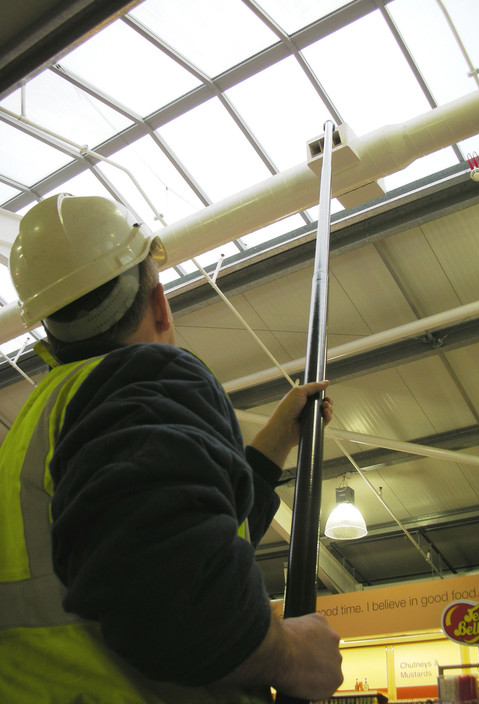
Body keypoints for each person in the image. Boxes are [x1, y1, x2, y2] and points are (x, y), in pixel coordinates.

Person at [0, 194, 343, 703]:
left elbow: (172, 524)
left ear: (48, 324)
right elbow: (171, 583)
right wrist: (291, 656)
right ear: (159, 302)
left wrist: (275, 443)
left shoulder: (42, 415)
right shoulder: (143, 377)